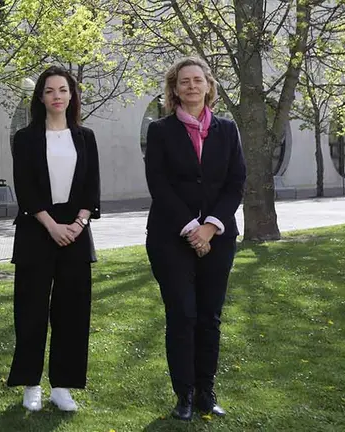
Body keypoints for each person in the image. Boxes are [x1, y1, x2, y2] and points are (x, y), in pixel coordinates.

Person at [144, 57, 246, 420]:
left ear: (208, 86)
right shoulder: (159, 131)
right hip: (170, 237)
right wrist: (192, 227)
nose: (191, 86)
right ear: (174, 89)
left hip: (218, 236)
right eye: (183, 81)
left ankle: (206, 391)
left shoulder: (227, 129)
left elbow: (236, 183)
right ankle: (183, 395)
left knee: (209, 317)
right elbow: (159, 185)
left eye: (197, 80)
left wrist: (211, 226)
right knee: (182, 314)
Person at [8, 66, 100, 412]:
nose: (57, 96)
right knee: (31, 310)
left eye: (63, 90)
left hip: (76, 232)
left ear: (72, 95)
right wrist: (51, 225)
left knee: (72, 313)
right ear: (40, 97)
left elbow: (92, 188)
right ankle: (31, 383)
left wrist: (77, 224)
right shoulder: (26, 138)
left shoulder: (86, 137)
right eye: (49, 91)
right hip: (37, 231)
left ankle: (63, 386)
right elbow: (26, 188)